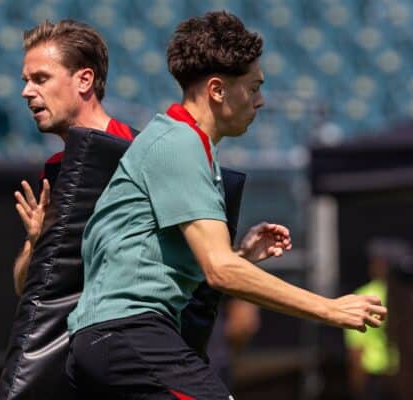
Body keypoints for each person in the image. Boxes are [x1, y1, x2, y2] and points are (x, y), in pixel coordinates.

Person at [66, 11, 387, 399]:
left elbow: (155, 260)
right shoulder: (180, 144)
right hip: (130, 337)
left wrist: (239, 255)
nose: (261, 100)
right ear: (217, 90)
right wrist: (330, 309)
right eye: (253, 88)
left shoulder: (178, 142)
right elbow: (220, 272)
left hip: (109, 343)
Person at [12, 19, 135, 296]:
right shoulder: (55, 170)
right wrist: (37, 241)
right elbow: (25, 289)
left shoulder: (141, 152)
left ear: (84, 80)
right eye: (26, 81)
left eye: (41, 79)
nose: (26, 92)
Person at [344, 239, 401, 400]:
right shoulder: (407, 297)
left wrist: (357, 386)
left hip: (374, 377)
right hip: (401, 374)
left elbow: (356, 349)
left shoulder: (363, 297)